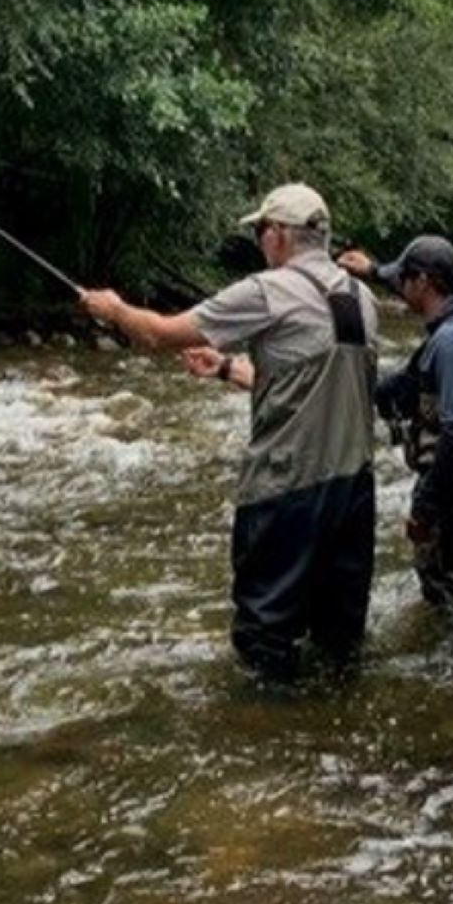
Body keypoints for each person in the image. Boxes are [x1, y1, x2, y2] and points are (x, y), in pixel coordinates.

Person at [79, 183, 379, 679]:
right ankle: (339, 722)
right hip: (353, 492)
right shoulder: (360, 298)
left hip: (288, 490)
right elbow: (318, 381)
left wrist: (112, 309)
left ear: (278, 233)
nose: (260, 242)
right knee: (340, 643)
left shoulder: (268, 290)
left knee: (264, 640)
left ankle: (269, 725)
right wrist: (225, 368)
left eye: (261, 231)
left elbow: (157, 333)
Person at [337, 235, 453, 607]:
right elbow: (404, 277)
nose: (399, 285)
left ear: (423, 282)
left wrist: (426, 508)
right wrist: (372, 270)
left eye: (405, 278)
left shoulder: (449, 342)